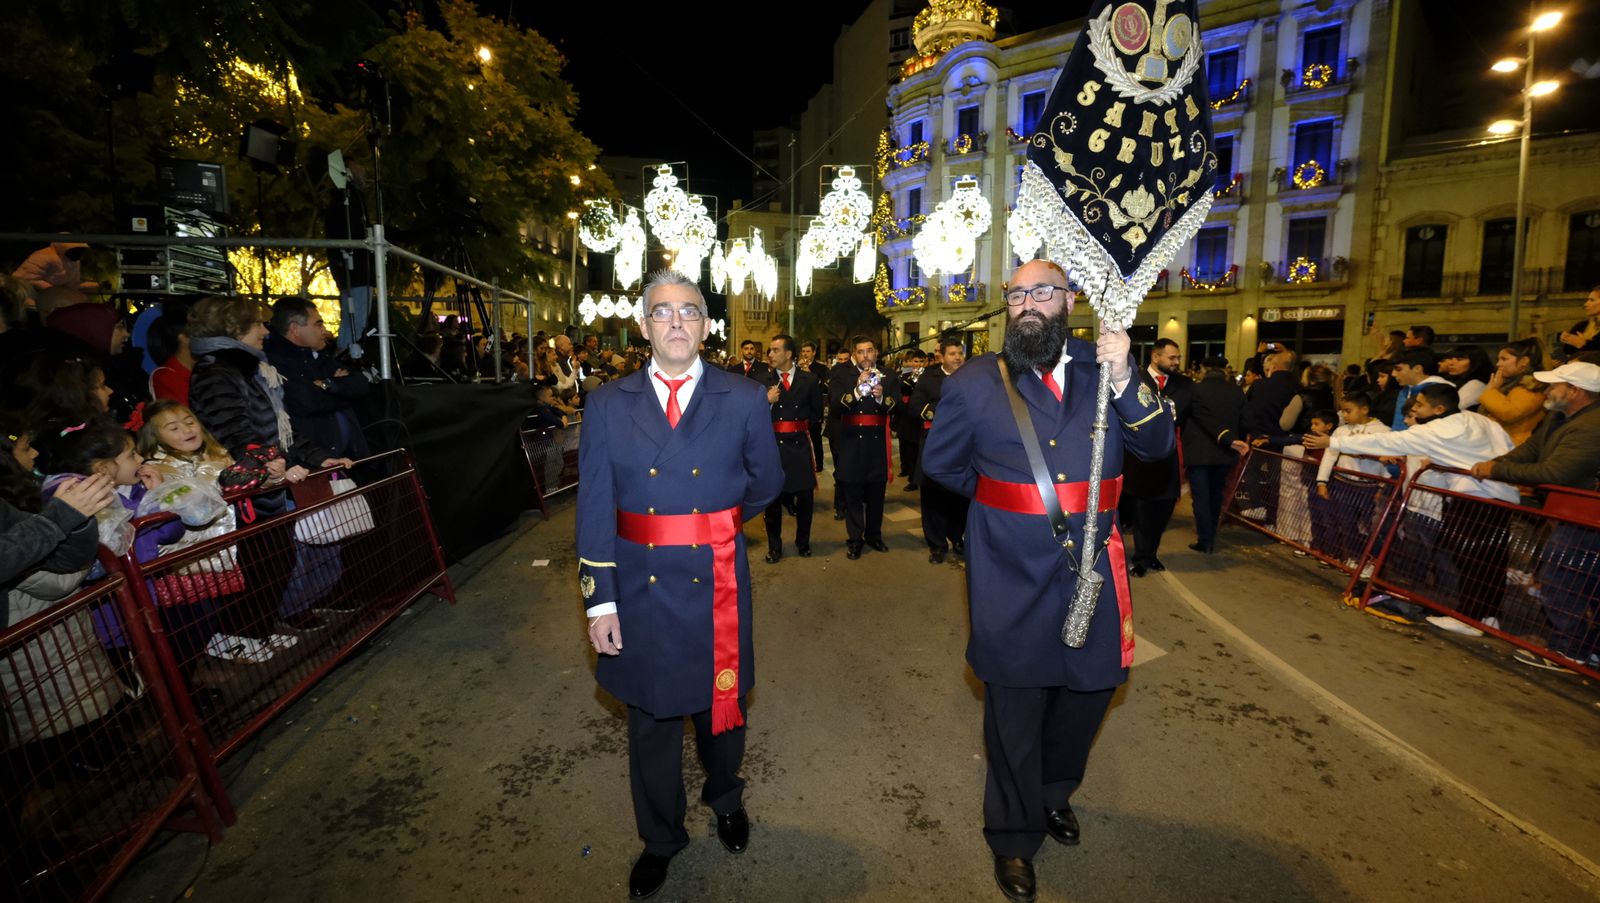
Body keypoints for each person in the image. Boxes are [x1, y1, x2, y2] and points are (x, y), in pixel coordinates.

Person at [921, 258, 1173, 903]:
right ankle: (1012, 835)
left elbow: (1156, 447)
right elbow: (942, 465)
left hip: (1093, 565)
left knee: (1093, 687)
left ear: (1069, 300)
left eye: (1042, 292)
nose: (1028, 304)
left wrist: (1127, 378)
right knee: (1015, 702)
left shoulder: (1106, 366)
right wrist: (1007, 509)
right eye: (1017, 295)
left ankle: (1054, 791)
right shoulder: (976, 381)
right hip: (1008, 569)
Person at [575, 270, 782, 900]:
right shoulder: (607, 403)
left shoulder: (743, 397)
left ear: (706, 326)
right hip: (637, 587)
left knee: (722, 707)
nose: (675, 322)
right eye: (662, 312)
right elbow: (594, 506)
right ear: (644, 326)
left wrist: (712, 527)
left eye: (689, 311)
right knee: (651, 720)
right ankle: (660, 838)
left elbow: (766, 482)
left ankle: (726, 799)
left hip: (715, 578)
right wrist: (599, 603)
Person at [1305, 384, 1517, 631]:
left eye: (1420, 404)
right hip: (1501, 494)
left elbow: (1389, 441)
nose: (1415, 408)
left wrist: (1334, 441)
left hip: (1476, 497)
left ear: (1439, 408)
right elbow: (1509, 448)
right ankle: (1486, 617)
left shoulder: (1436, 430)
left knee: (1472, 561)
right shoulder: (1478, 420)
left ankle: (1472, 618)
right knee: (1489, 561)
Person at [1469, 361, 1600, 669]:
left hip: (1587, 520)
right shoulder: (1558, 416)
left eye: (1554, 385)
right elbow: (1530, 450)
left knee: (1561, 580)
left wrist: (1497, 470)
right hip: (1573, 514)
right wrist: (1496, 463)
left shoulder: (1592, 427)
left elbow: (1555, 473)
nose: (1547, 390)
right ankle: (1587, 648)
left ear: (1575, 391)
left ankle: (1569, 650)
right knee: (1579, 583)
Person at [1118, 338, 1191, 576]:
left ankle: (1151, 554)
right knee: (1142, 513)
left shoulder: (1185, 385)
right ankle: (1141, 558)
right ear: (1155, 357)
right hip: (1140, 462)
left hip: (1169, 462)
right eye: (1172, 357)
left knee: (1163, 512)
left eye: (1178, 357)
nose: (1177, 362)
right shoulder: (1134, 380)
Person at [265, 298, 371, 461]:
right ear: (295, 329)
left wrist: (326, 384)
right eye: (318, 325)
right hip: (315, 461)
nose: (325, 331)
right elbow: (307, 402)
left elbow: (361, 384)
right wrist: (343, 391)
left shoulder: (319, 357)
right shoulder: (276, 364)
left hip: (349, 458)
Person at [829, 335, 900, 559]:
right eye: (860, 351)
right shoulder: (842, 374)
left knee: (876, 493)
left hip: (877, 442)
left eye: (869, 350)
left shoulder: (888, 375)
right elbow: (834, 405)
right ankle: (855, 539)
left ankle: (874, 535)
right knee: (852, 493)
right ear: (854, 355)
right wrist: (857, 391)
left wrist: (881, 398)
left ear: (876, 352)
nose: (866, 355)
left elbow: (898, 406)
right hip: (850, 441)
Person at [760, 334, 822, 563]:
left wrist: (799, 428)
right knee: (773, 502)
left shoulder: (809, 380)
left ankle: (803, 542)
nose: (770, 354)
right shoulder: (762, 380)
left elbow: (816, 413)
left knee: (805, 498)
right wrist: (765, 401)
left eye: (775, 350)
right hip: (773, 447)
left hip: (800, 445)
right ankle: (775, 547)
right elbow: (750, 416)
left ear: (788, 354)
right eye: (770, 350)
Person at [1310, 391, 1391, 566]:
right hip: (1343, 482)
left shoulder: (1383, 431)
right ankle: (1352, 557)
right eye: (1342, 411)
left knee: (1369, 525)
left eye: (1348, 411)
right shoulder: (1341, 431)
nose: (1344, 415)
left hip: (1369, 486)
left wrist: (1383, 486)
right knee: (1346, 522)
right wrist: (1322, 481)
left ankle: (1370, 561)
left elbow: (1389, 461)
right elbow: (1329, 455)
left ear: (1364, 409)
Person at [1180, 357, 1249, 554]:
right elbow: (1245, 421)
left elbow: (1183, 417)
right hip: (1225, 452)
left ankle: (1205, 539)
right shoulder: (1236, 391)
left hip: (1198, 453)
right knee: (1216, 495)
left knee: (1201, 497)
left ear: (1204, 370)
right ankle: (1211, 534)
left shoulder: (1195, 390)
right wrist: (1235, 441)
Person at [911, 337, 968, 563]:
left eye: (960, 353)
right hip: (936, 443)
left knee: (960, 495)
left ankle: (958, 537)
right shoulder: (929, 378)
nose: (957, 358)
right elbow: (915, 407)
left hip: (963, 445)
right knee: (933, 496)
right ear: (941, 357)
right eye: (952, 354)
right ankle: (936, 544)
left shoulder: (971, 377)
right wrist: (945, 412)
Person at [325, 167, 375, 361]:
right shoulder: (347, 201)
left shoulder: (346, 200)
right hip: (355, 270)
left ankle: (344, 356)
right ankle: (347, 359)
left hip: (351, 269)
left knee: (351, 319)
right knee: (357, 319)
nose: (363, 173)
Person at [1477, 339, 1547, 446]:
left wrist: (1491, 391)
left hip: (1515, 445)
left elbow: (1509, 412)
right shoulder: (1510, 383)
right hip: (1501, 442)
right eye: (1498, 359)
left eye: (1504, 359)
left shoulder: (1533, 385)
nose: (1498, 364)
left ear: (1524, 361)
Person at [11, 241, 98, 321]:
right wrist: (55, 291)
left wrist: (97, 285)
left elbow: (73, 284)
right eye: (78, 250)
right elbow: (27, 278)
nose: (80, 254)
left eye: (82, 251)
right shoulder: (44, 256)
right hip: (28, 302)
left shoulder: (74, 262)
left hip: (49, 305)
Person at [1386, 348, 1451, 432]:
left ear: (1417, 368)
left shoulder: (1442, 391)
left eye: (1398, 369)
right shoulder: (1405, 390)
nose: (1393, 374)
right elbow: (1398, 426)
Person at [896, 349, 927, 489]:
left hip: (920, 416)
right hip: (906, 415)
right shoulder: (905, 375)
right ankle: (908, 471)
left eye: (921, 361)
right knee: (907, 446)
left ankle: (915, 479)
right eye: (915, 361)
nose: (918, 364)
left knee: (917, 448)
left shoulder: (928, 377)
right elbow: (900, 389)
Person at [799, 341, 829, 471]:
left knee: (816, 437)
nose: (805, 354)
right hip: (800, 408)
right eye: (803, 351)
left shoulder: (821, 368)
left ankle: (819, 464)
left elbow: (822, 388)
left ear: (814, 353)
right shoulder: (796, 368)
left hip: (814, 408)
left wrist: (808, 372)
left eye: (808, 351)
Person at [1438, 345, 1493, 411]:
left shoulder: (1475, 384)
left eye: (1459, 359)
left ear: (1475, 362)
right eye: (1451, 359)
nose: (1451, 363)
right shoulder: (1452, 380)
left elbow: (1450, 409)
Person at [1557, 286, 1600, 358]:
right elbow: (1567, 352)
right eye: (1587, 300)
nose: (1585, 304)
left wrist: (1583, 345)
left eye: (1592, 300)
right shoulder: (1581, 326)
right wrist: (1568, 340)